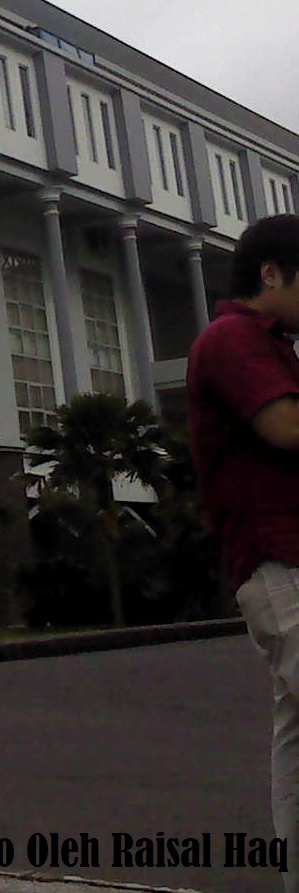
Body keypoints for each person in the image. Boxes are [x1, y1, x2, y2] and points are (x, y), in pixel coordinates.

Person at [186, 213, 299, 893]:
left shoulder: (276, 345)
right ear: (272, 274)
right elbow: (285, 426)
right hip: (278, 560)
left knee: (297, 742)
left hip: (286, 559)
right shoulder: (232, 338)